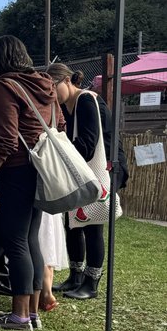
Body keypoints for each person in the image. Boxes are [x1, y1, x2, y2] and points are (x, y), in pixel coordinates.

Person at [0, 35, 63, 331]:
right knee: (29, 239)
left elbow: (5, 141)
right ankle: (32, 313)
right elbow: (59, 125)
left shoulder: (4, 88)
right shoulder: (46, 85)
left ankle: (20, 315)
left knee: (15, 241)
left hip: (13, 172)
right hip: (39, 171)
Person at [46, 63, 127, 300]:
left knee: (92, 223)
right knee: (72, 223)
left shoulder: (86, 100)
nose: (51, 92)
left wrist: (60, 156)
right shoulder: (66, 106)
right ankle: (75, 275)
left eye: (54, 86)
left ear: (67, 81)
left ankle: (92, 282)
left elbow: (90, 144)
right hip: (81, 171)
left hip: (102, 168)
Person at [38, 211, 69, 312]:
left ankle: (47, 294)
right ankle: (47, 292)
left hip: (42, 208)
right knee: (48, 248)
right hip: (51, 209)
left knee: (42, 247)